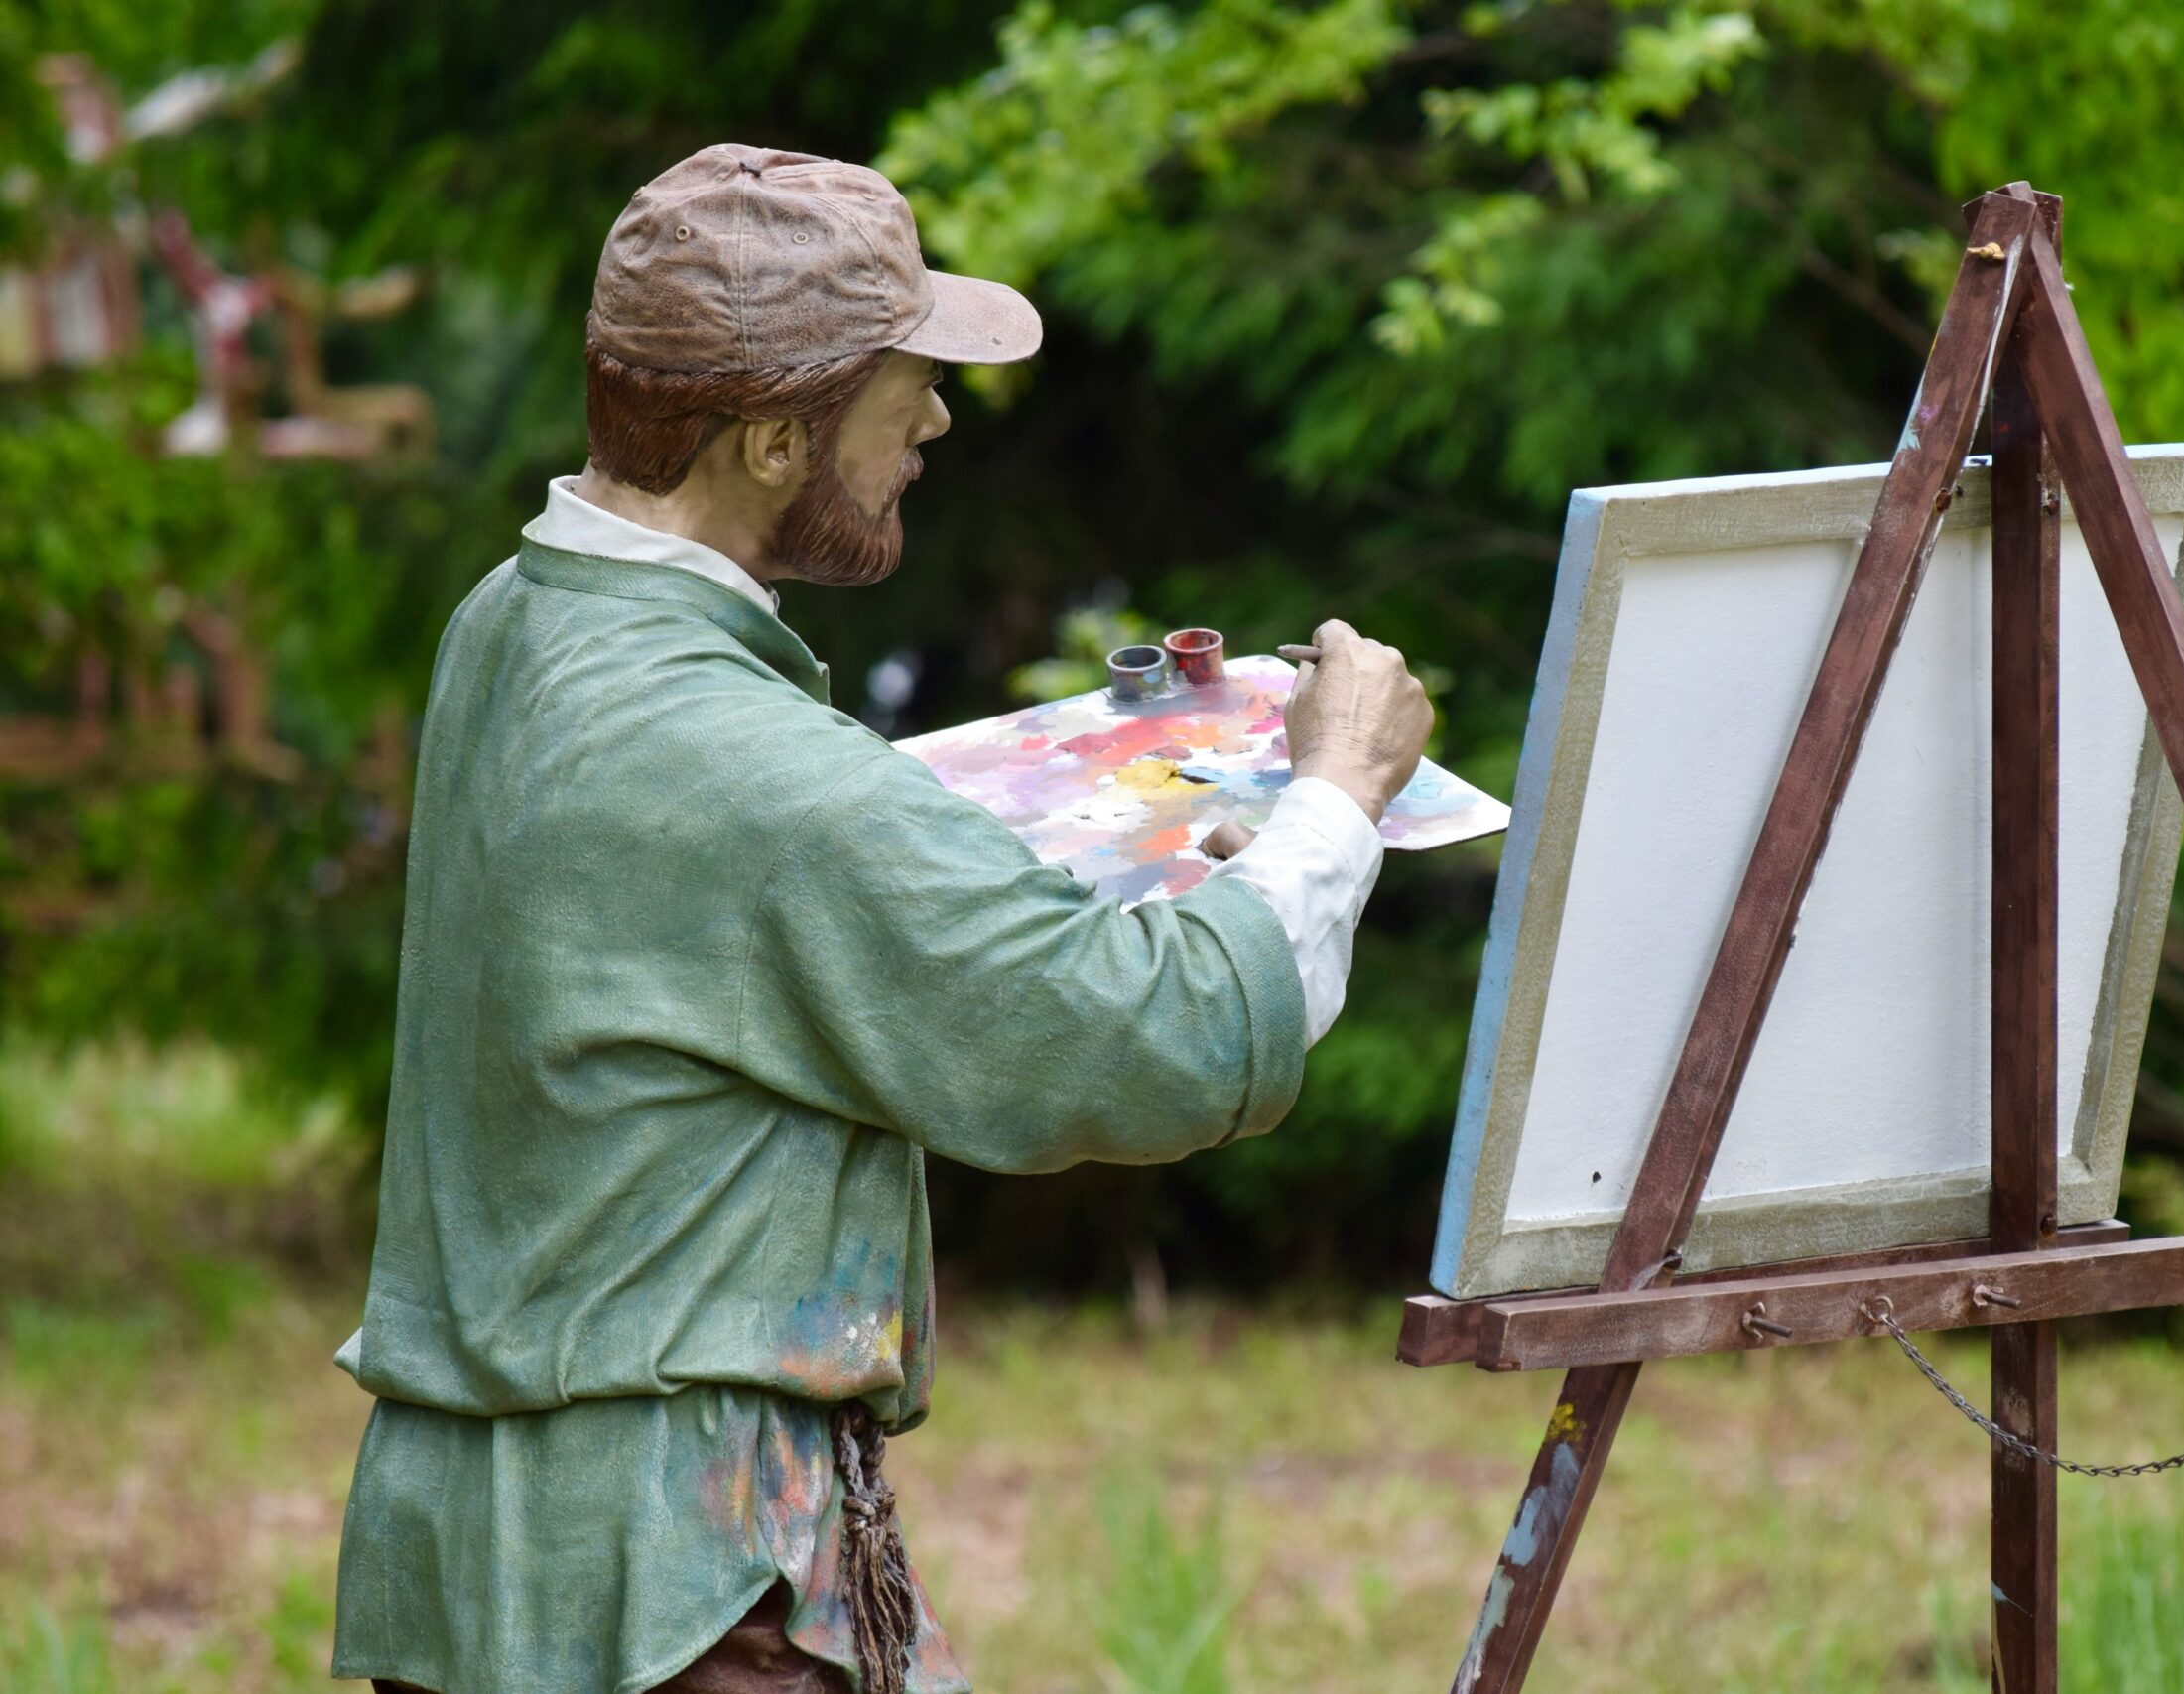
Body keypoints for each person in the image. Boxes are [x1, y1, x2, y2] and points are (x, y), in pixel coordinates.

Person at [328, 144, 1434, 1694]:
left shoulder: (516, 626)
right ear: (777, 439)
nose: (935, 420)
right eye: (900, 383)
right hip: (679, 1601)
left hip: (487, 1566)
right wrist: (1334, 798)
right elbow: (1167, 1040)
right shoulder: (745, 765)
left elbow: (727, 922)